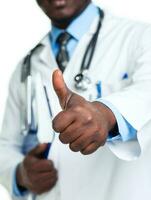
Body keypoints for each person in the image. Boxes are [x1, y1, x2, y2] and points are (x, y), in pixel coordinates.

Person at [0, 0, 151, 200]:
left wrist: (106, 114)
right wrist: (20, 174)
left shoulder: (140, 37)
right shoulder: (26, 67)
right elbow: (6, 145)